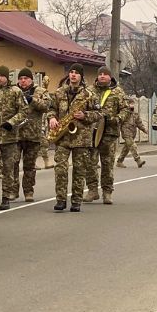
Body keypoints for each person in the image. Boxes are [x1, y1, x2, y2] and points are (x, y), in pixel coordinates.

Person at [48, 63, 100, 212]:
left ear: (81, 76)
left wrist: (85, 115)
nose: (73, 75)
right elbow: (51, 109)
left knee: (79, 170)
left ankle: (76, 200)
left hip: (81, 138)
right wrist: (52, 118)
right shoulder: (59, 92)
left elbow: (99, 113)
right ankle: (61, 200)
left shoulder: (89, 94)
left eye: (77, 73)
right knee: (60, 169)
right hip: (62, 137)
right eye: (71, 72)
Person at [86, 66, 125, 204]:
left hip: (109, 132)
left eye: (105, 74)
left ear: (110, 77)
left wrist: (117, 119)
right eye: (100, 74)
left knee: (107, 164)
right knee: (90, 163)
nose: (102, 76)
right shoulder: (89, 91)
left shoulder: (118, 92)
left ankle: (107, 192)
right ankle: (92, 190)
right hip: (91, 132)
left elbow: (125, 110)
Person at [0, 66, 24, 214]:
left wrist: (11, 122)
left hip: (9, 137)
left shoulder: (15, 92)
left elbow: (24, 111)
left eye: (1, 76)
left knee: (8, 169)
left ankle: (6, 197)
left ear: (7, 77)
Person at [15, 68, 51, 200]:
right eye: (21, 78)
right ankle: (12, 190)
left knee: (29, 166)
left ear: (31, 79)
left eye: (26, 78)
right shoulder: (14, 91)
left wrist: (33, 100)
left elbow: (47, 106)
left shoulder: (40, 91)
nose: (23, 81)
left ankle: (28, 191)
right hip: (16, 134)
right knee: (13, 164)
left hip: (33, 135)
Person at [116, 97, 147, 168]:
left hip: (133, 133)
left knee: (126, 148)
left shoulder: (135, 114)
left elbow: (139, 123)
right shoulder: (124, 113)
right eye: (130, 104)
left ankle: (119, 161)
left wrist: (144, 129)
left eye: (133, 104)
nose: (132, 105)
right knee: (133, 145)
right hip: (126, 132)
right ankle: (138, 160)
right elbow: (119, 122)